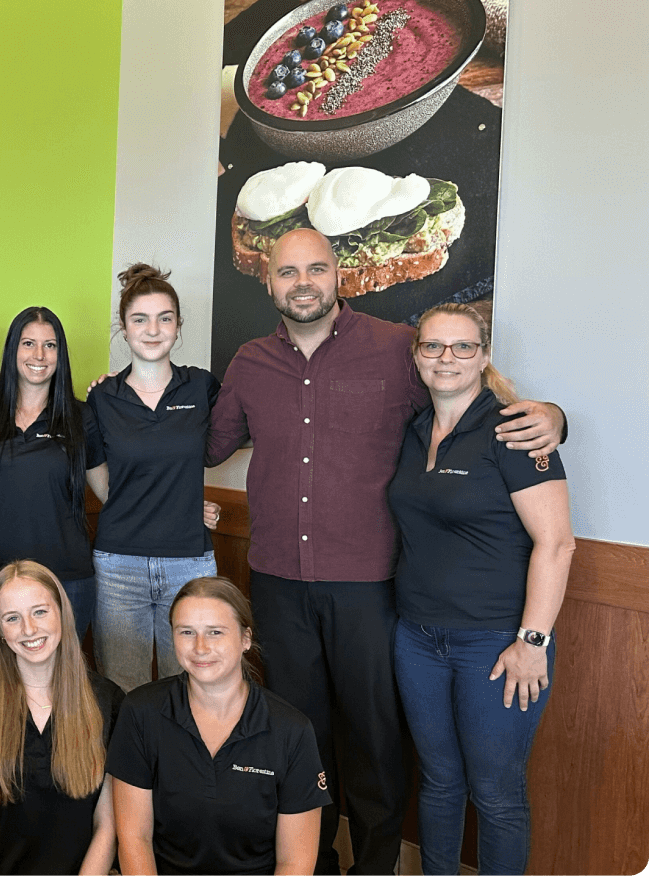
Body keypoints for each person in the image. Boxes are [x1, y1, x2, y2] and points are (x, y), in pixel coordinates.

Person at [206, 228, 565, 874]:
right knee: (298, 736)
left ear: (339, 274)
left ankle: (375, 866)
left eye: (317, 268)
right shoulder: (250, 362)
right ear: (269, 281)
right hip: (278, 581)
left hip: (370, 583)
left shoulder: (401, 348)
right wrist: (124, 395)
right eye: (288, 272)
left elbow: (474, 400)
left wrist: (555, 416)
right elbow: (204, 444)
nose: (303, 282)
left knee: (374, 740)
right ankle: (307, 863)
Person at [387, 304, 574, 876]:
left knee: (495, 793)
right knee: (439, 781)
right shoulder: (415, 427)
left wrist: (532, 641)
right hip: (417, 638)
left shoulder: (516, 430)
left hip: (496, 646)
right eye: (434, 347)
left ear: (484, 354)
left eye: (463, 347)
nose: (447, 359)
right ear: (417, 354)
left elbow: (558, 544)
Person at [111, 576, 328, 876]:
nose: (200, 647)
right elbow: (135, 838)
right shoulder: (139, 712)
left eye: (215, 632)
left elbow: (295, 862)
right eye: (187, 632)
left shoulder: (292, 731)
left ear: (245, 639)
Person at [88, 264, 222, 693]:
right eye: (139, 319)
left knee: (189, 684)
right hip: (117, 563)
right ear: (124, 328)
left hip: (190, 562)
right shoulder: (101, 397)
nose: (152, 330)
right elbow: (102, 478)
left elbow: (241, 433)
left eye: (165, 318)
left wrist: (185, 502)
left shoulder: (201, 388)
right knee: (121, 687)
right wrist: (146, 504)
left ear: (178, 326)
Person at [0, 561, 123, 876]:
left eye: (40, 611)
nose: (29, 629)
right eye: (12, 618)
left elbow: (107, 826)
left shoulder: (108, 701)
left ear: (62, 613)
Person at [0, 307, 100, 639]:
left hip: (67, 579)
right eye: (28, 343)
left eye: (50, 345)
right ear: (12, 349)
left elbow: (112, 491)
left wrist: (181, 508)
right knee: (1, 685)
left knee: (63, 685)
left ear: (61, 354)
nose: (39, 355)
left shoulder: (81, 416)